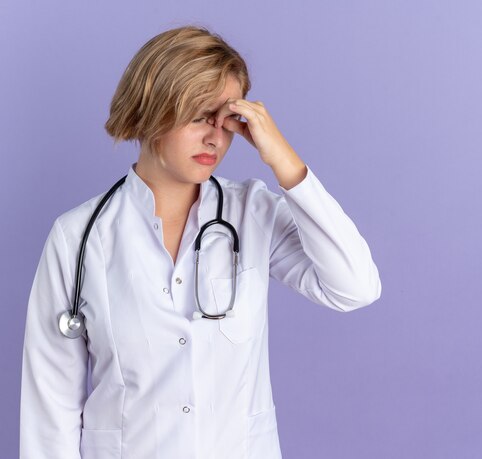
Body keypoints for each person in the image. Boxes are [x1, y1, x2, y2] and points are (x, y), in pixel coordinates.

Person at [19, 24, 382, 459]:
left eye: (226, 120)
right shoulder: (79, 236)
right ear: (151, 111)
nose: (215, 137)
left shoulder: (252, 213)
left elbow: (355, 287)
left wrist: (283, 159)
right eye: (198, 117)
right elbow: (50, 411)